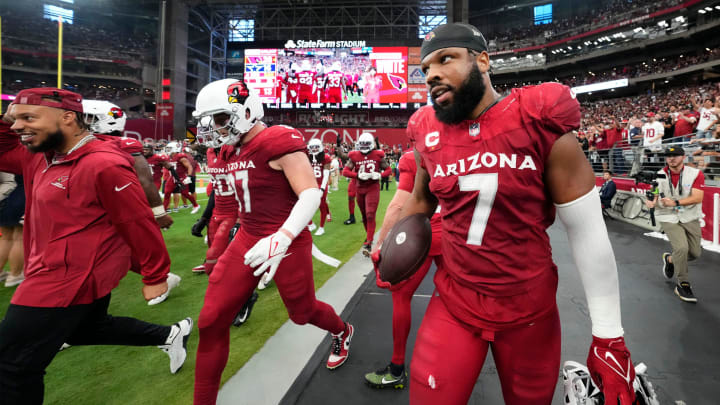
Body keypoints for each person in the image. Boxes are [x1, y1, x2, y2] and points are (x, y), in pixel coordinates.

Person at [391, 23, 636, 404]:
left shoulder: (537, 117)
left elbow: (587, 231)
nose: (432, 73)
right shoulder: (427, 131)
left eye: (445, 59)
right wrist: (394, 237)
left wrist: (609, 335)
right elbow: (422, 200)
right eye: (425, 69)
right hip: (455, 302)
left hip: (528, 311)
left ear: (483, 60)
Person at [0, 89, 193, 404]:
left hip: (66, 277)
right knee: (84, 330)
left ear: (67, 118)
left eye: (28, 117)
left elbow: (136, 221)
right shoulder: (41, 155)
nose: (17, 125)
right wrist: (10, 114)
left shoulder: (102, 162)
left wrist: (154, 273)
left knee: (11, 364)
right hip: (55, 265)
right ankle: (169, 335)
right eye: (16, 118)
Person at [192, 79, 354, 404]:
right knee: (210, 321)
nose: (213, 128)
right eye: (207, 120)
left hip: (288, 240)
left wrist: (282, 237)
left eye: (220, 118)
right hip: (249, 236)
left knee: (302, 312)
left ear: (247, 110)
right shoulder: (227, 150)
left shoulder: (276, 139)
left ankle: (342, 331)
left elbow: (309, 191)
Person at [364, 150, 442, 389]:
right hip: (461, 232)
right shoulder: (471, 146)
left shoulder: (415, 154)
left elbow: (399, 204)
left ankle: (397, 367)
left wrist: (381, 244)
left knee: (401, 296)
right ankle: (450, 363)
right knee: (454, 299)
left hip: (426, 230)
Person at [83, 99, 174, 230]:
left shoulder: (123, 145)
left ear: (108, 121)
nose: (82, 122)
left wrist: (159, 214)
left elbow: (145, 181)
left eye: (89, 118)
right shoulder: (81, 143)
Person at [645, 146, 704, 303]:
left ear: (683, 157)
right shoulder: (659, 174)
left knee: (695, 253)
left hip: (689, 215)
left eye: (676, 155)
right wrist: (651, 202)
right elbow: (654, 194)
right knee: (682, 248)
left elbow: (698, 197)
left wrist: (676, 202)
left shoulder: (695, 174)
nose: (671, 158)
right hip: (667, 216)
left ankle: (670, 259)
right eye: (668, 156)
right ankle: (683, 284)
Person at [342, 132, 391, 255]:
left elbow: (389, 170)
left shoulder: (378, 155)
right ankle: (369, 237)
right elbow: (345, 171)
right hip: (360, 188)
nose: (363, 146)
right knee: (364, 215)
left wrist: (380, 174)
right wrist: (357, 175)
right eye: (362, 144)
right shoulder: (354, 155)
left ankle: (368, 242)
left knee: (370, 214)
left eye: (366, 144)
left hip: (372, 187)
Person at [0, 172, 24, 287]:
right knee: (19, 236)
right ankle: (15, 275)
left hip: (4, 198)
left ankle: (2, 273)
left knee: (5, 237)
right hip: (17, 193)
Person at [163, 141, 201, 214]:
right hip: (172, 177)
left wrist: (189, 177)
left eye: (169, 148)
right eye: (167, 148)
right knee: (167, 193)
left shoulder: (181, 157)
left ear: (175, 148)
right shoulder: (169, 157)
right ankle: (164, 210)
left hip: (181, 178)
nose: (168, 150)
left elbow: (189, 166)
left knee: (185, 193)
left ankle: (196, 205)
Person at [306, 138, 332, 236]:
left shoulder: (325, 158)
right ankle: (310, 224)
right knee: (306, 205)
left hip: (321, 183)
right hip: (310, 183)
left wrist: (322, 188)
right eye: (312, 147)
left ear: (320, 147)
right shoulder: (307, 156)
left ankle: (321, 227)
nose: (314, 149)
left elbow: (326, 175)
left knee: (322, 205)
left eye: (316, 147)